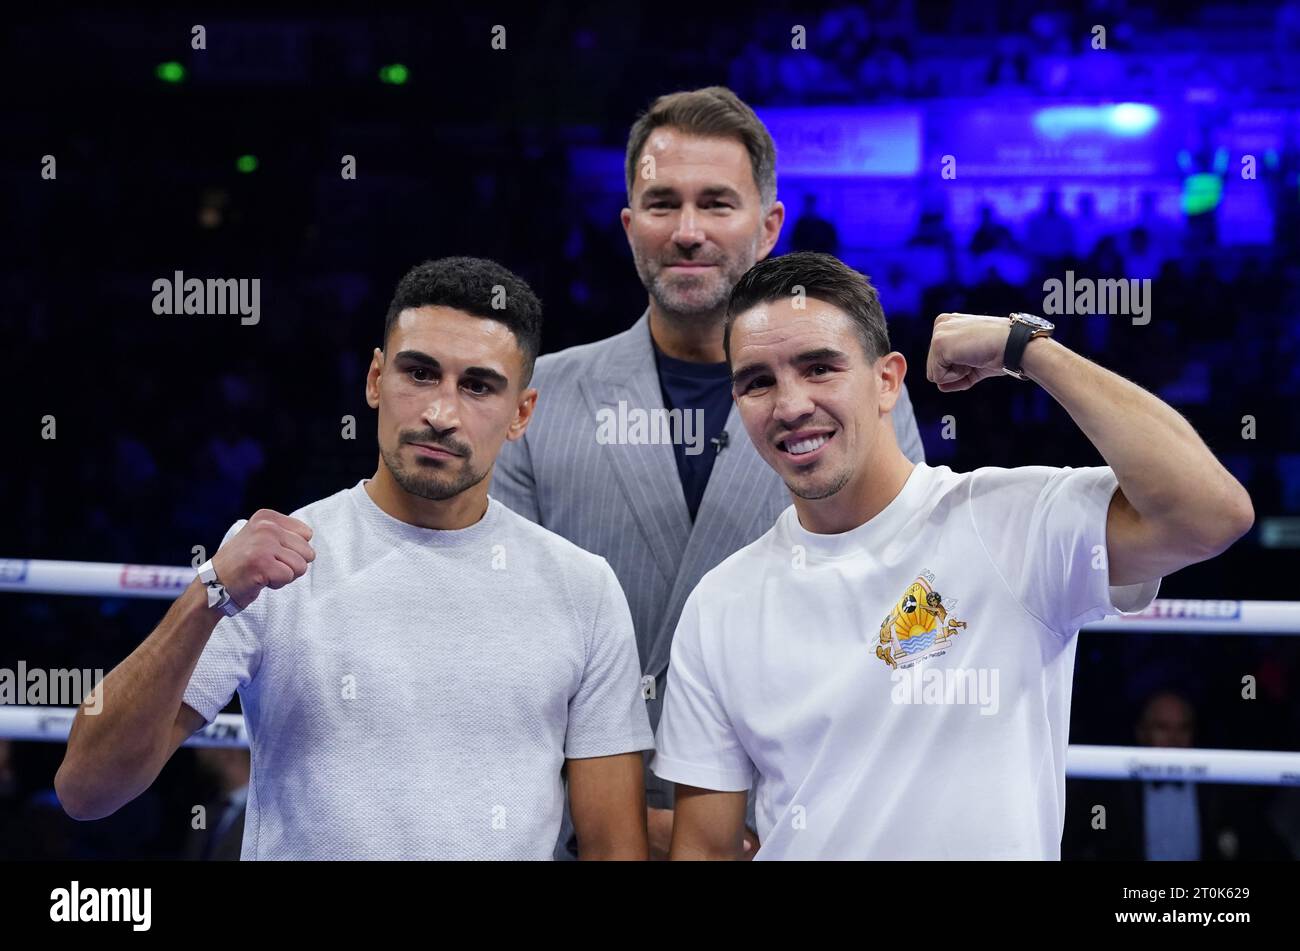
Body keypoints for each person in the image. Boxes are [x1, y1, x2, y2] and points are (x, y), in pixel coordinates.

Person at [652, 251, 1254, 859]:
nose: (789, 405)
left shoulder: (1010, 522)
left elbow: (1210, 515)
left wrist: (1026, 349)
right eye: (758, 381)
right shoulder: (721, 602)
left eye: (819, 368)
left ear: (887, 380)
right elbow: (704, 847)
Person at [55, 257, 654, 860]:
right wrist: (207, 592)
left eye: (477, 385)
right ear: (374, 379)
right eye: (419, 373)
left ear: (521, 413)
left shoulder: (582, 588)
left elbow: (613, 849)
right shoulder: (274, 561)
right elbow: (86, 788)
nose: (441, 414)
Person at [492, 86, 925, 859]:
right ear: (630, 227)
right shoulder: (537, 401)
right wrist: (617, 820)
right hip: (577, 831)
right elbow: (500, 649)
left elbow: (898, 625)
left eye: (716, 203)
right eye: (662, 203)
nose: (687, 232)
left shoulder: (858, 398)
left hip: (801, 823)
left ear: (768, 226)